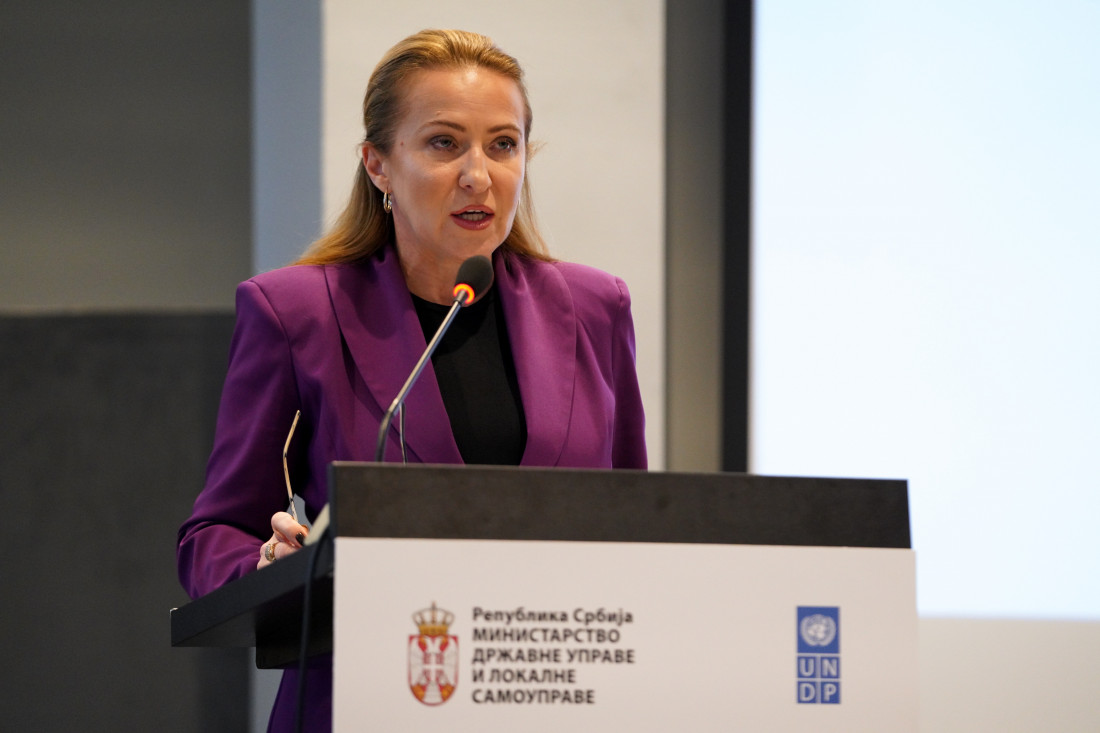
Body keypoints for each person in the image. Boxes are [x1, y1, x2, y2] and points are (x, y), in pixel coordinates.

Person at [176, 28, 646, 731]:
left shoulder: (595, 307)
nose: (478, 175)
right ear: (378, 165)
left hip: (555, 699)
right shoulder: (296, 312)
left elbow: (638, 525)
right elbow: (212, 534)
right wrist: (269, 562)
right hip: (368, 698)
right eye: (444, 143)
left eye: (503, 144)